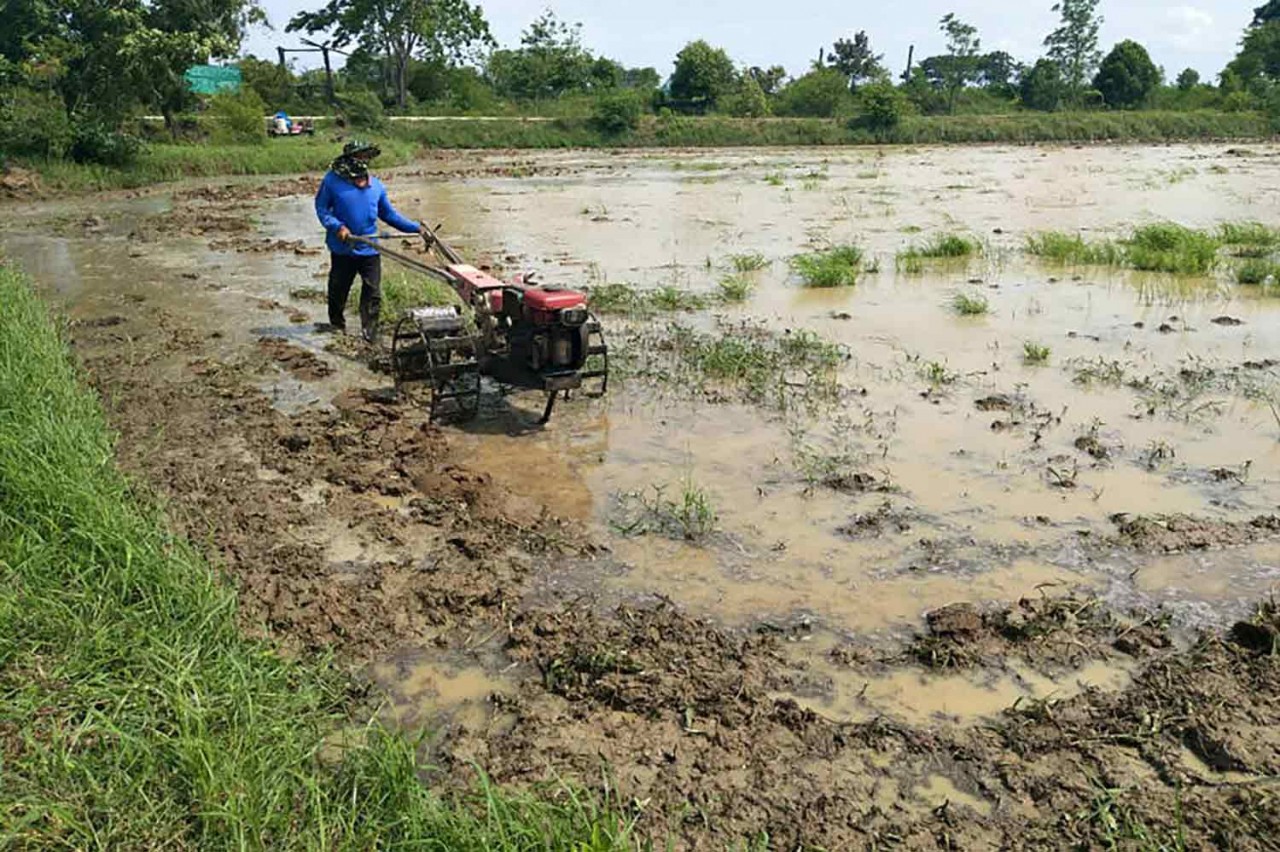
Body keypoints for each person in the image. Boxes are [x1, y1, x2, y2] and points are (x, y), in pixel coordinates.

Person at [313, 140, 422, 342]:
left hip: (369, 248)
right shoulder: (332, 181)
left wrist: (417, 228)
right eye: (359, 157)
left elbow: (389, 215)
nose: (363, 161)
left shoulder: (376, 186)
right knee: (338, 288)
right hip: (343, 247)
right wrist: (337, 226)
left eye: (366, 157)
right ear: (349, 159)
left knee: (373, 292)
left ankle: (370, 332)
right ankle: (337, 325)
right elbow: (321, 209)